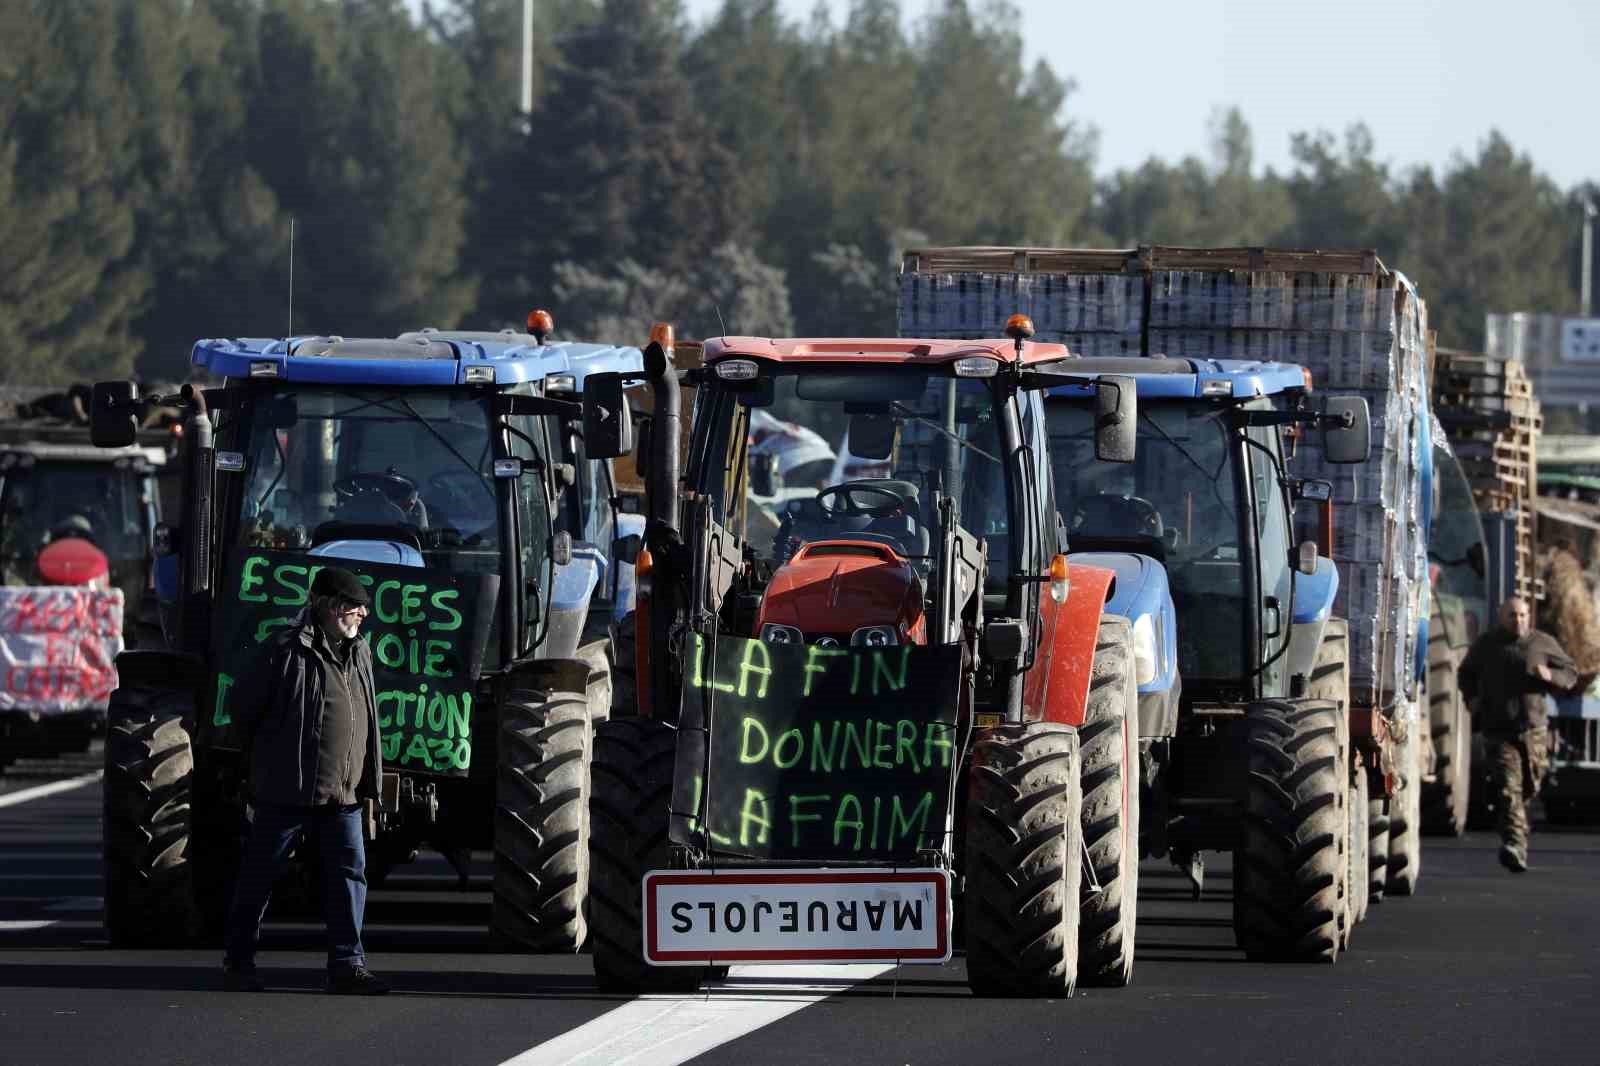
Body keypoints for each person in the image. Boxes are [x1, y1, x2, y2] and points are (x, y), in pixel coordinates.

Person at [222, 566, 388, 994]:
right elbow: (242, 709)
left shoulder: (361, 652)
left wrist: (369, 783)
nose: (362, 616)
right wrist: (268, 763)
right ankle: (239, 962)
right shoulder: (283, 650)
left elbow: (365, 716)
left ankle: (347, 965)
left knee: (350, 874)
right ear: (332, 607)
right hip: (286, 792)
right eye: (356, 608)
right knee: (261, 875)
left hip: (343, 794)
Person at [1458, 597, 1579, 873]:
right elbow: (1465, 673)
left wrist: (1549, 675)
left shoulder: (1541, 643)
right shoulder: (1487, 645)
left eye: (1523, 615)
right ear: (1502, 617)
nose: (1518, 620)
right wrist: (1472, 699)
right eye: (1512, 615)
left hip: (1534, 730)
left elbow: (1570, 672)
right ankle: (1514, 846)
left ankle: (1517, 828)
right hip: (1500, 730)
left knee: (1529, 787)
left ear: (1529, 617)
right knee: (1508, 789)